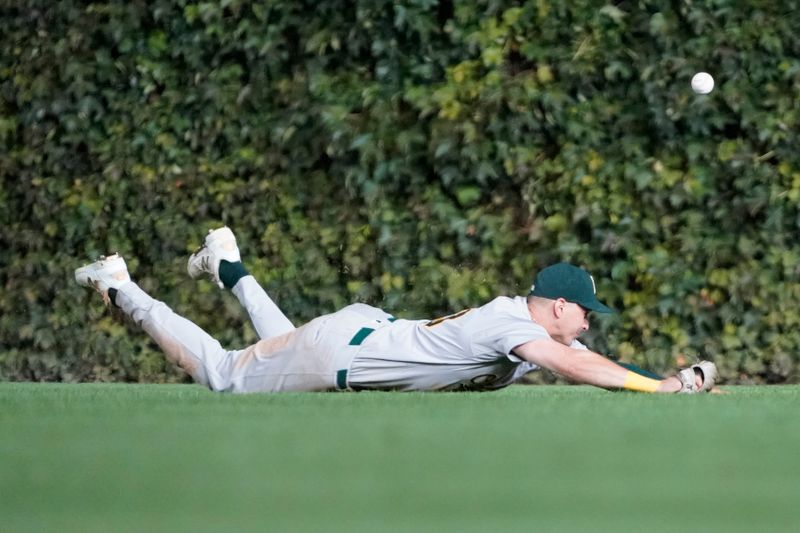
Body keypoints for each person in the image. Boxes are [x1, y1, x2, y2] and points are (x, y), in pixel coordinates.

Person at [75, 227, 718, 394]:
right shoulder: (517, 329)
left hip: (361, 333)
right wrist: (660, 389)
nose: (589, 321)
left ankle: (225, 262)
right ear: (555, 307)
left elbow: (599, 363)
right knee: (222, 375)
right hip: (345, 355)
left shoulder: (531, 325)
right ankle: (122, 284)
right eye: (585, 313)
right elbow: (577, 367)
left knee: (283, 346)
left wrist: (672, 377)